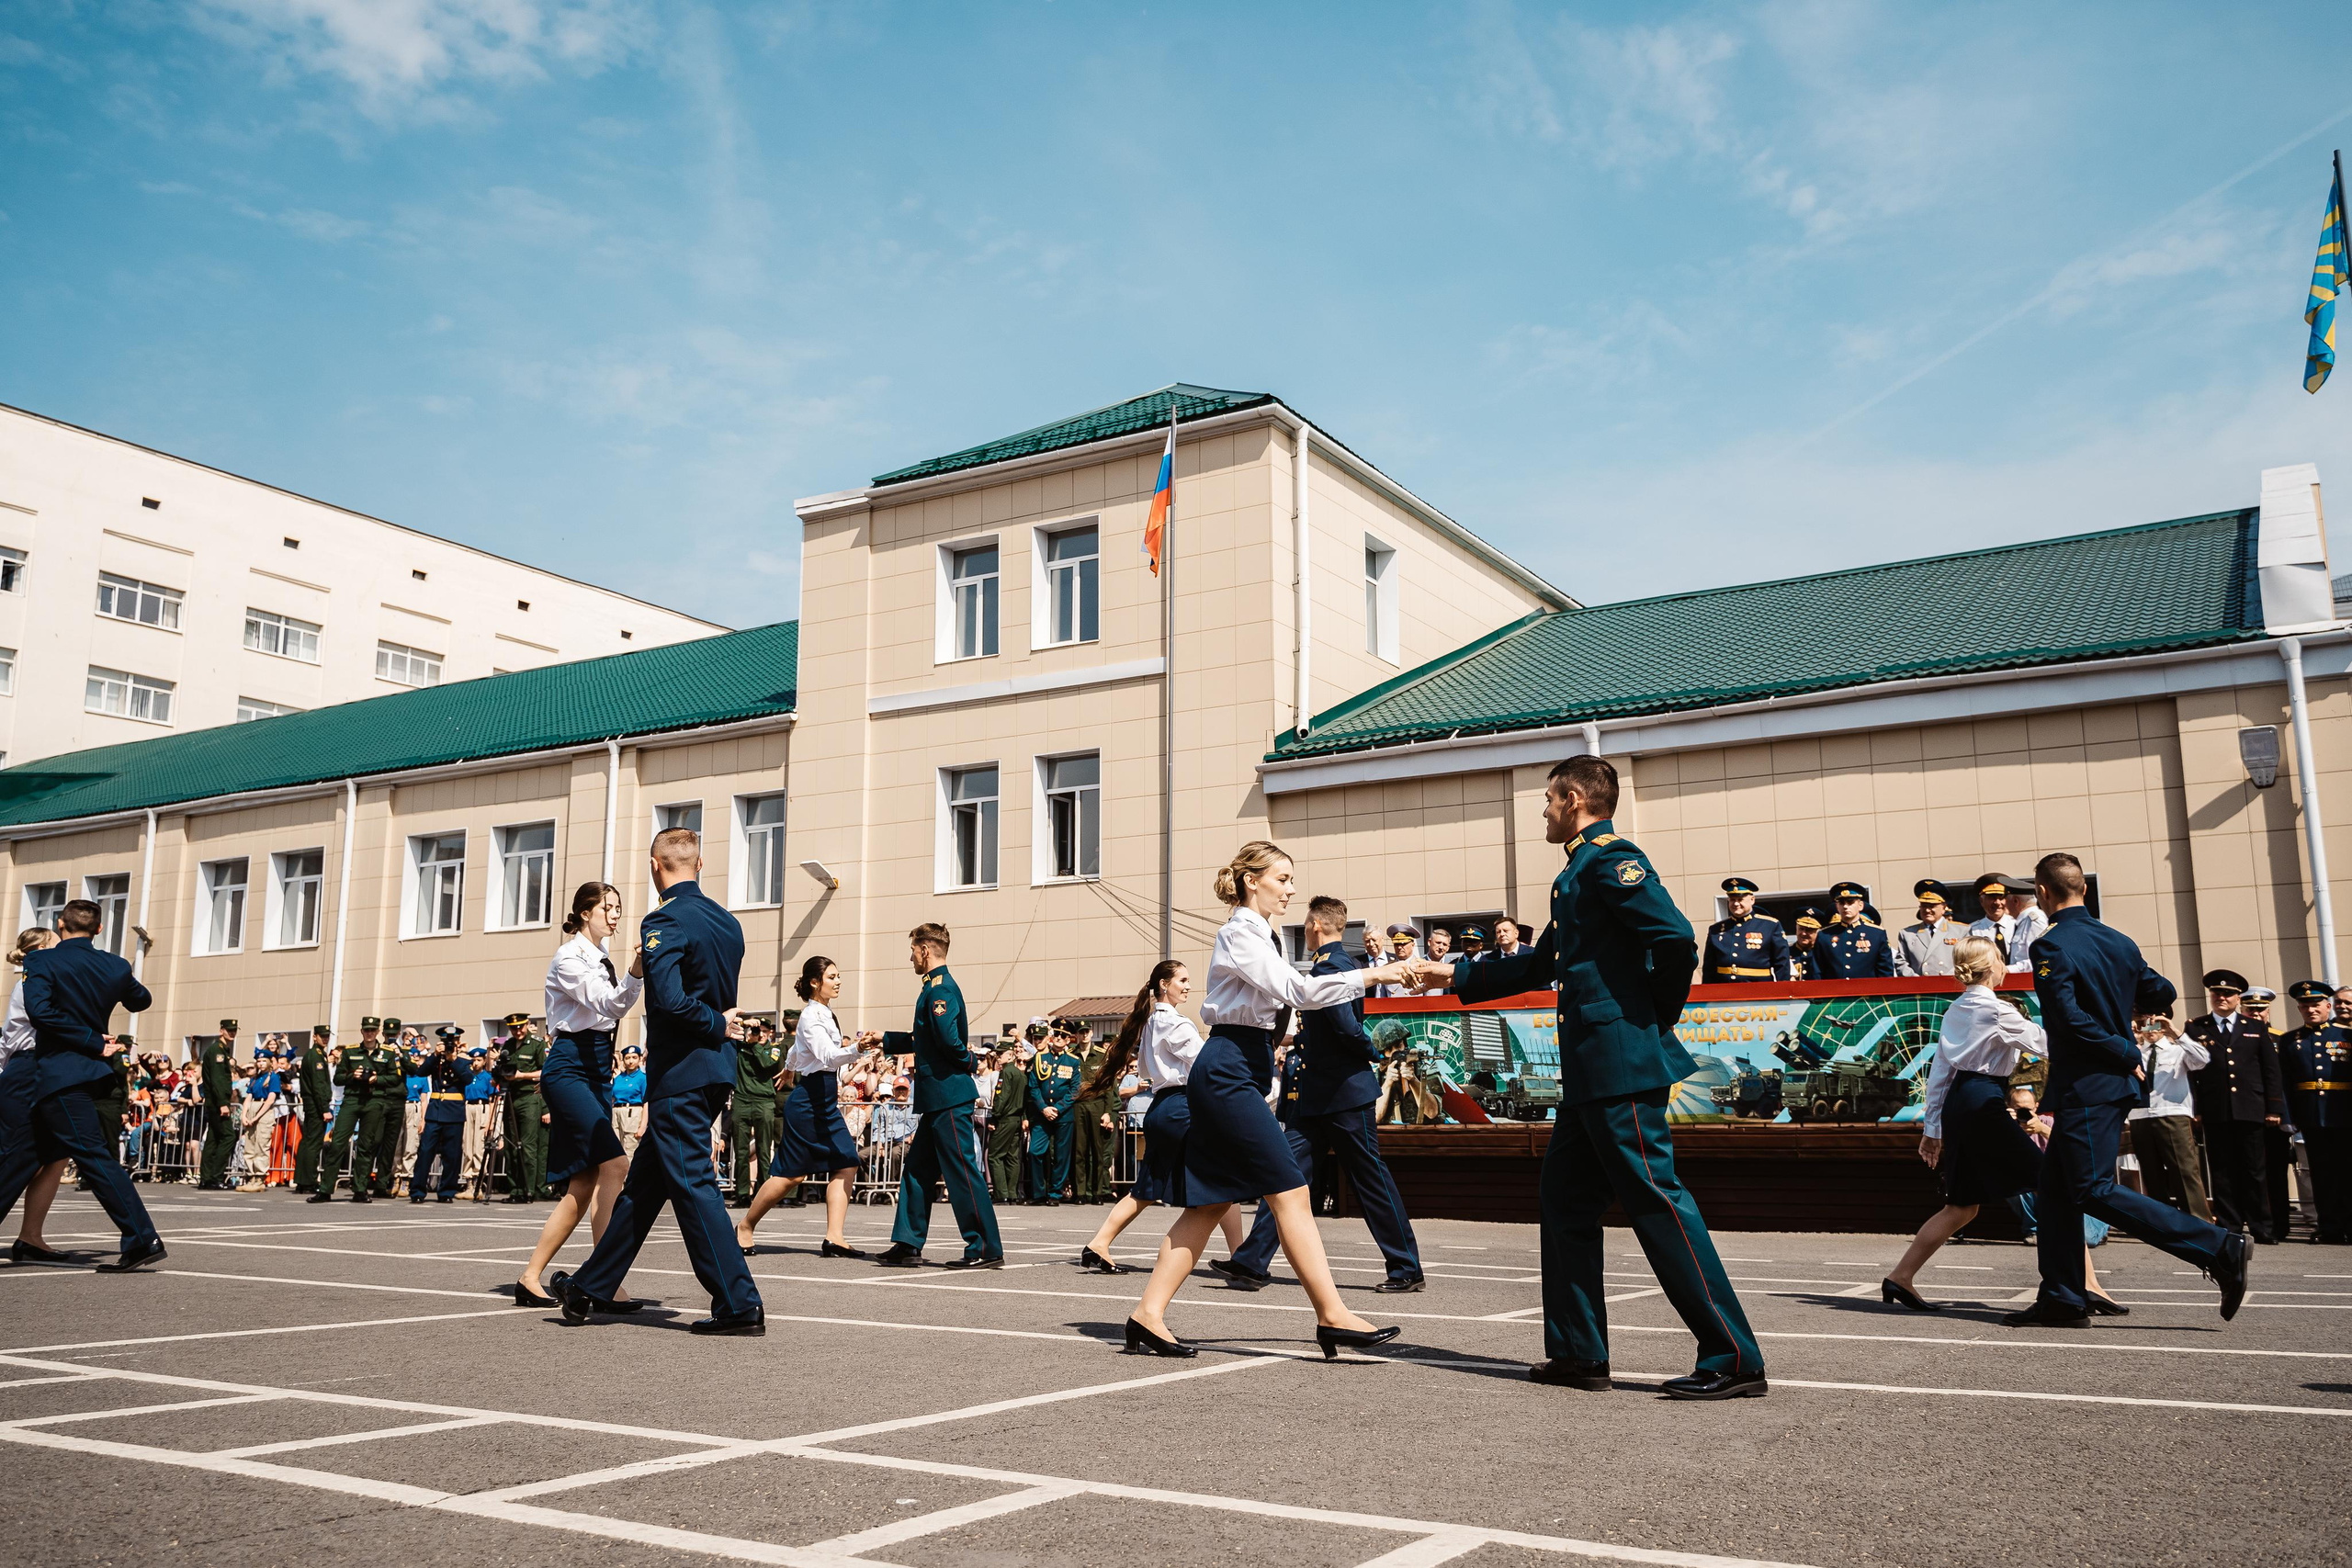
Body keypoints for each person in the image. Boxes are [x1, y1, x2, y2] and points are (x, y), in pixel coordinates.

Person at [1426, 756, 1764, 1399]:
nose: (1545, 812)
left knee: (1657, 1201)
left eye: (1550, 800)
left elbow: (1675, 939)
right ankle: (1579, 1352)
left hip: (1619, 1063)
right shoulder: (1578, 870)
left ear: (1575, 797)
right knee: (1564, 1201)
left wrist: (1648, 1018)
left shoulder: (1612, 859)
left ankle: (1735, 1355)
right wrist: (1452, 975)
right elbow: (1542, 963)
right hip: (1592, 1070)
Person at [1123, 843, 1414, 1361]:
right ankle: (1331, 1315)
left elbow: (1275, 1010)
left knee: (1212, 1202)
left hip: (1241, 1065)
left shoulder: (1265, 933)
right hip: (1228, 1070)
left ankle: (1147, 1316)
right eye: (1282, 877)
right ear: (1251, 880)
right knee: (1292, 1191)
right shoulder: (1240, 931)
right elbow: (1297, 991)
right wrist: (1375, 974)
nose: (1291, 887)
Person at [2003, 852, 2246, 1328]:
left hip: (2090, 1084)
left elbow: (2068, 1020)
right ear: (2085, 891)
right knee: (2054, 1192)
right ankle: (2062, 1297)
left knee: (2090, 1189)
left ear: (2045, 894)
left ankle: (2218, 1246)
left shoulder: (2050, 946)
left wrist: (2122, 1047)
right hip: (2105, 1084)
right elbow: (2163, 991)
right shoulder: (2120, 941)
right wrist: (2123, 1003)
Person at [551, 829, 763, 1334]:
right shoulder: (727, 921)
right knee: (643, 1186)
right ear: (701, 863)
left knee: (692, 1184)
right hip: (714, 1071)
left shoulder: (664, 919)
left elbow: (667, 998)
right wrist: (719, 1025)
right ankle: (591, 1286)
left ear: (654, 866)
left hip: (682, 1073)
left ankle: (739, 1303)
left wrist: (715, 1023)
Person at [1218, 894, 1426, 1293]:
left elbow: (1345, 1026)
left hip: (1344, 1093)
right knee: (1285, 1176)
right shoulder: (1335, 964)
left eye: (1306, 925)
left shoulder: (1331, 966)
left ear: (1315, 926)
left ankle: (1406, 1266)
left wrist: (1371, 1053)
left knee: (1370, 1180)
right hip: (1320, 1094)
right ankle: (1251, 1261)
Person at [1880, 937, 2055, 1310]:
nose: (2006, 964)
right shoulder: (1998, 1010)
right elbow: (2047, 1045)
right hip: (1983, 1100)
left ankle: (1900, 1278)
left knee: (1962, 1206)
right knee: (2051, 1183)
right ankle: (2074, 1285)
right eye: (2001, 958)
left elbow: (1941, 1073)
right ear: (1992, 967)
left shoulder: (1956, 1008)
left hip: (1962, 1102)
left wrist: (1932, 1130)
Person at [0, 899, 164, 1269]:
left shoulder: (42, 961)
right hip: (79, 1074)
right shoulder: (115, 965)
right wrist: (113, 982)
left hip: (59, 1073)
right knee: (22, 1157)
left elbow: (40, 1012)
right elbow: (141, 1000)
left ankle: (142, 1238)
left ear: (61, 924)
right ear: (100, 929)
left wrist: (91, 1039)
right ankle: (32, 1240)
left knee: (93, 1155)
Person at [516, 882, 646, 1307]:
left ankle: (532, 1276)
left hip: (595, 1069)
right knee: (615, 1164)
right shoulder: (570, 957)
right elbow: (608, 1004)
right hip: (570, 1067)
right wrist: (636, 973)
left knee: (586, 1181)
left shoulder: (602, 958)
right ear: (585, 912)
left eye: (618, 908)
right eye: (608, 907)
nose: (615, 915)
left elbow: (612, 1010)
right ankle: (603, 1278)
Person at [875, 922, 1002, 1269]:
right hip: (936, 1098)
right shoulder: (932, 988)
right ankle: (907, 1243)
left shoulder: (940, 989)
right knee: (916, 1171)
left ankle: (985, 1248)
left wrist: (971, 1061)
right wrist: (884, 1040)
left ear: (925, 950)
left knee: (961, 1172)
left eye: (914, 950)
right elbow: (926, 1038)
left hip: (947, 1095)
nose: (911, 957)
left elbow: (948, 1041)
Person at [737, 955, 870, 1258]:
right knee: (792, 1176)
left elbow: (798, 1048)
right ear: (815, 982)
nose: (838, 981)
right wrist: (857, 1048)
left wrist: (788, 1066)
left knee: (846, 1162)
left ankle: (834, 1237)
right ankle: (745, 1226)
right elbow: (826, 1056)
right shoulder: (812, 1015)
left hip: (824, 1099)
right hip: (808, 1101)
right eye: (832, 977)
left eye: (838, 976)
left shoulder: (825, 1012)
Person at [2186, 969, 2284, 1244]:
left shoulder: (2254, 1027)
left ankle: (2261, 1226)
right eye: (2217, 993)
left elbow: (2270, 1070)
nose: (2222, 998)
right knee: (2221, 1170)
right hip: (2216, 1109)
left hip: (2250, 1107)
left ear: (2238, 998)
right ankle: (2229, 1226)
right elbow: (2192, 1074)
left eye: (2228, 994)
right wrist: (2196, 1109)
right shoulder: (2196, 1027)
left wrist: (2273, 1107)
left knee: (2254, 1171)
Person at [0, 928, 74, 1263]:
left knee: (56, 1153)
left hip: (39, 1068)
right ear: (43, 949)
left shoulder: (39, 979)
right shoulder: (34, 982)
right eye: (57, 946)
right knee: (19, 1156)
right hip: (27, 1069)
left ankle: (30, 1237)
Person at [2278, 980, 2352, 1244]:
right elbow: (2285, 1082)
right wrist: (2288, 1117)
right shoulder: (2290, 1041)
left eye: (2316, 1004)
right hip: (2311, 1115)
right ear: (2299, 1008)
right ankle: (2330, 1227)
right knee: (2321, 1174)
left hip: (2344, 1114)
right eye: (2305, 1005)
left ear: (2328, 1006)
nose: (2311, 1009)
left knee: (2347, 1171)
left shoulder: (2346, 1036)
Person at [2125, 1010, 2213, 1222]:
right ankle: (2162, 1223)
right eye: (2143, 1024)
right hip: (2140, 1115)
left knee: (2184, 1171)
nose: (2149, 1030)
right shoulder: (2134, 1052)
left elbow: (2203, 1059)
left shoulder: (2177, 1050)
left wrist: (2176, 1032)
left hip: (2172, 1114)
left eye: (2154, 1024)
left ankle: (2200, 1222)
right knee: (2151, 1173)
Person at [311, 1017, 386, 1202]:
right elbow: (338, 1079)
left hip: (373, 1101)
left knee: (365, 1146)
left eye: (372, 1030)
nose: (369, 1033)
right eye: (366, 1030)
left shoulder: (388, 1054)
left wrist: (377, 1079)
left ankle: (360, 1189)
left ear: (378, 1032)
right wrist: (354, 1075)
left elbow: (394, 1079)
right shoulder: (351, 1052)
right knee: (337, 1144)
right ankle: (326, 1189)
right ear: (362, 1031)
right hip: (352, 1100)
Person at [727, 1015, 785, 1208]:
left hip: (764, 1102)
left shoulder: (774, 1050)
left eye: (764, 1031)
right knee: (741, 1152)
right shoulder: (741, 1047)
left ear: (770, 1033)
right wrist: (744, 1027)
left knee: (763, 1151)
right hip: (742, 1101)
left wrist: (756, 1045)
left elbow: (766, 1064)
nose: (760, 1035)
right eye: (758, 1031)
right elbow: (726, 1035)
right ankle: (742, 1193)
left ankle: (763, 1193)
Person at [411, 1027, 470, 1203]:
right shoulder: (436, 1060)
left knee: (451, 1156)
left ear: (459, 1043)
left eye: (453, 1042)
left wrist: (453, 1059)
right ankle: (417, 1191)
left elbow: (468, 1079)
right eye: (446, 1042)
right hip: (435, 1111)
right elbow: (420, 1073)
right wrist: (435, 1055)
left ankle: (446, 1191)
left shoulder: (463, 1061)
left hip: (454, 1113)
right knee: (425, 1152)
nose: (450, 1045)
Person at [495, 1011, 549, 1202]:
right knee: (511, 1145)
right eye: (513, 1028)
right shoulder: (507, 1046)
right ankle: (515, 1189)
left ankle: (528, 1189)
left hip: (529, 1097)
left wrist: (521, 1076)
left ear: (527, 1025)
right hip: (511, 1096)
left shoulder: (537, 1043)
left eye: (521, 1026)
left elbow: (544, 1071)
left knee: (527, 1146)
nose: (517, 1031)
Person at [1026, 1023, 1080, 1206]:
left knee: (1061, 1156)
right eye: (1056, 1034)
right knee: (1035, 1151)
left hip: (1063, 1114)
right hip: (1043, 1114)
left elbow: (1074, 1090)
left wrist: (1058, 1108)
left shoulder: (1073, 1061)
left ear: (1067, 1040)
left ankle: (1055, 1194)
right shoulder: (1040, 1058)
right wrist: (1044, 1108)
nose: (1058, 1037)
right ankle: (1039, 1193)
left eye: (1063, 1036)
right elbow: (1033, 1086)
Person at [1702, 877, 1791, 983]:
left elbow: (1782, 963)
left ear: (1752, 900)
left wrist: (1782, 993)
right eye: (1732, 900)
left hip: (1758, 990)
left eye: (1740, 899)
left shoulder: (1770, 926)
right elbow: (1709, 967)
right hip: (1724, 991)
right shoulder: (1716, 929)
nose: (1735, 904)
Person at [986, 1021, 1035, 1202]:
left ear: (1011, 1055)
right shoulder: (1021, 1074)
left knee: (995, 1156)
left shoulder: (1007, 1073)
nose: (998, 1057)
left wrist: (994, 1116)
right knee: (1013, 1157)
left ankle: (1001, 1193)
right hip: (1016, 1118)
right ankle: (1012, 1193)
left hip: (1005, 1118)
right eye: (997, 1054)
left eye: (1001, 1054)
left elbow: (1001, 1097)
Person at [1808, 882, 1893, 979]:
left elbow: (1885, 971)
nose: (1845, 906)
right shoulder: (1824, 935)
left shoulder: (1876, 934)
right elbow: (1817, 971)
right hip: (1835, 992)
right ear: (1837, 907)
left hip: (1867, 992)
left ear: (1860, 905)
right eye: (1841, 903)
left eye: (1850, 902)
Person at [1072, 1024, 1116, 1204]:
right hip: (1078, 1105)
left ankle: (1097, 1192)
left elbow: (1108, 1086)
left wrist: (1107, 1112)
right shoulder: (1070, 1054)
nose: (1084, 1036)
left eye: (1087, 1032)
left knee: (1097, 1151)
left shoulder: (1101, 1054)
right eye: (1081, 1032)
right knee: (1079, 1151)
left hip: (1097, 1105)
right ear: (1076, 1035)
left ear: (1091, 1033)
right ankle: (1080, 1192)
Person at [195, 1020, 237, 1190]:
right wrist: (223, 1103)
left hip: (213, 1102)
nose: (232, 1033)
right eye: (229, 1030)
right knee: (228, 1137)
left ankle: (206, 1178)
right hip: (218, 1102)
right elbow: (218, 1080)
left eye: (234, 1030)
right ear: (221, 1031)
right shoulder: (218, 1052)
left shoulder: (218, 1050)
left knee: (213, 1138)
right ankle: (216, 1177)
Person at [292, 1026, 334, 1194]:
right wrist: (324, 1108)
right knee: (313, 1144)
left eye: (327, 1036)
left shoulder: (314, 1055)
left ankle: (302, 1180)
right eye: (322, 1036)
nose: (325, 1039)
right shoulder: (316, 1056)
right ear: (314, 1037)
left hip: (312, 1103)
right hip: (316, 1105)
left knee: (307, 1142)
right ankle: (308, 1181)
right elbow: (319, 1085)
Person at [237, 1043, 280, 1193]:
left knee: (261, 1146)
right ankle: (251, 1177)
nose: (261, 1063)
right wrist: (244, 1115)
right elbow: (248, 1097)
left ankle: (260, 1178)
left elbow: (270, 1099)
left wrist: (257, 1116)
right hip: (252, 1109)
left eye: (264, 1061)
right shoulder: (255, 1079)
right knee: (249, 1146)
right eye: (259, 1061)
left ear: (269, 1062)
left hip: (263, 1111)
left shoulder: (273, 1077)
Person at [1894, 882, 1962, 978]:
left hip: (1952, 985)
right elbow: (1901, 962)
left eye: (1931, 906)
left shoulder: (1961, 931)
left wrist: (1948, 979)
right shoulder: (1907, 934)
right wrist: (1917, 981)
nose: (1927, 910)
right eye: (1924, 905)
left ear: (1943, 907)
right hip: (1920, 988)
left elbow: (1967, 961)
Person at [461, 1046, 499, 1189]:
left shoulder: (487, 1078)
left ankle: (478, 1178)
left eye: (479, 1060)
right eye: (474, 1060)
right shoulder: (467, 1076)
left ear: (484, 1061)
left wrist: (490, 1122)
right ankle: (468, 1181)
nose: (475, 1063)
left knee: (478, 1146)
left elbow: (492, 1100)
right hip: (468, 1107)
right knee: (467, 1145)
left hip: (482, 1108)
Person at [1966, 874, 2017, 954]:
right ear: (1981, 901)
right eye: (1992, 898)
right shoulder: (1972, 931)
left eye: (2001, 898)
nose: (1997, 903)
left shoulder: (2017, 925)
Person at [611, 1045, 648, 1156]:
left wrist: (642, 1126)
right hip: (616, 1112)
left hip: (632, 1113)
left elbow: (646, 1102)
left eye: (634, 1057)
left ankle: (629, 1173)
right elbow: (612, 1097)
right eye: (627, 1058)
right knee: (615, 1149)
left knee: (630, 1150)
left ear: (639, 1059)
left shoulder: (642, 1078)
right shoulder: (618, 1078)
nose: (631, 1061)